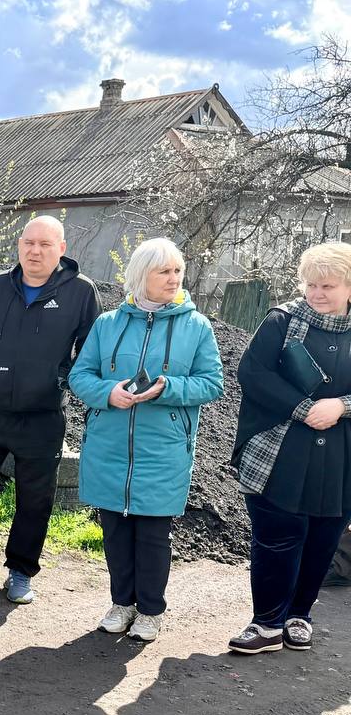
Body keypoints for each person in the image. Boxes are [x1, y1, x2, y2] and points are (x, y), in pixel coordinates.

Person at [0, 216, 101, 603]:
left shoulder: (81, 291)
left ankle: (21, 572)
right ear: (19, 246)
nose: (35, 251)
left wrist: (61, 380)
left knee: (35, 498)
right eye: (29, 243)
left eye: (45, 244)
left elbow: (90, 347)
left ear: (62, 249)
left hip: (42, 417)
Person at [68, 238, 224, 641]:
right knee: (115, 532)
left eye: (177, 271)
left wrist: (167, 387)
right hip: (109, 444)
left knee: (154, 536)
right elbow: (79, 376)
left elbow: (212, 384)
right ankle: (122, 604)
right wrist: (108, 393)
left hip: (164, 449)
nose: (174, 278)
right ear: (141, 275)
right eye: (164, 271)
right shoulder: (107, 324)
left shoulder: (197, 327)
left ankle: (151, 612)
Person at [228, 241, 351, 654]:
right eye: (311, 285)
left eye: (327, 286)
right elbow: (253, 373)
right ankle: (266, 624)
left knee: (323, 539)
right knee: (276, 537)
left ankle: (299, 616)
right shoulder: (282, 320)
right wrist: (303, 408)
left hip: (342, 455)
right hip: (279, 449)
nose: (317, 294)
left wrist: (342, 405)